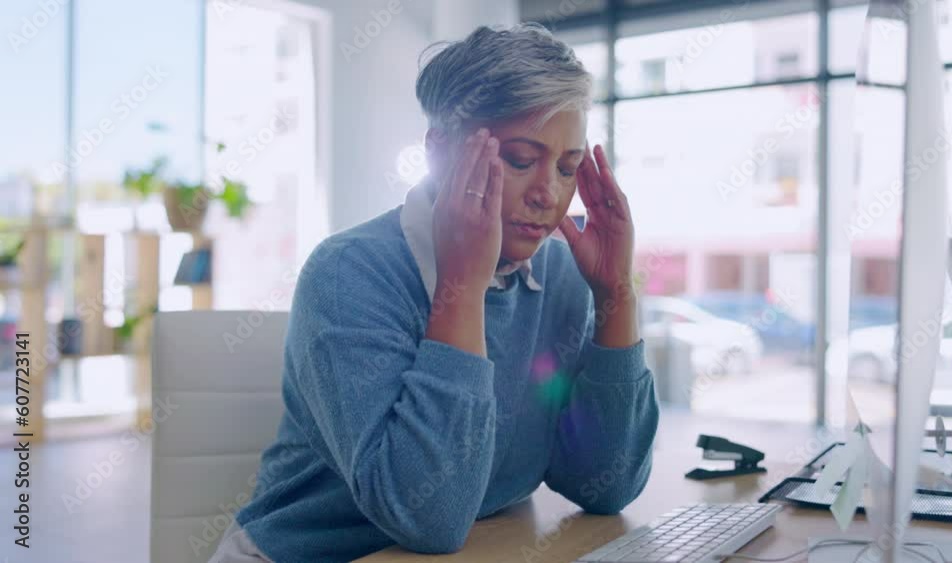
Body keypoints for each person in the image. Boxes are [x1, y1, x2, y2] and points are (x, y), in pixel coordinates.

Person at [209, 22, 659, 563]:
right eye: (520, 160)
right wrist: (463, 288)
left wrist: (616, 297)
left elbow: (604, 487)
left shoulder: (559, 272)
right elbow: (428, 519)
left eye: (567, 168)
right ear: (439, 150)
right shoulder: (348, 274)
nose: (549, 194)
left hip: (480, 548)